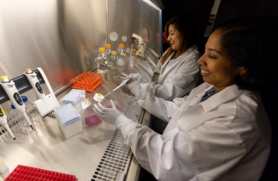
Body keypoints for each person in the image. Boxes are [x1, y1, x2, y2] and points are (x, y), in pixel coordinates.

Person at [94, 16, 276, 180]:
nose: (200, 60)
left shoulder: (237, 122)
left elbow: (170, 161)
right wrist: (138, 90)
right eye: (205, 51)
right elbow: (177, 109)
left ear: (243, 67)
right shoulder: (213, 87)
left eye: (212, 56)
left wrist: (122, 123)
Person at [123, 14, 200, 101]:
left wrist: (139, 87)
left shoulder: (191, 61)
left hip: (168, 105)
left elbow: (169, 92)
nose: (168, 38)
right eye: (168, 34)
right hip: (157, 99)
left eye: (172, 34)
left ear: (184, 33)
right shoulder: (170, 52)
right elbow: (156, 75)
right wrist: (140, 80)